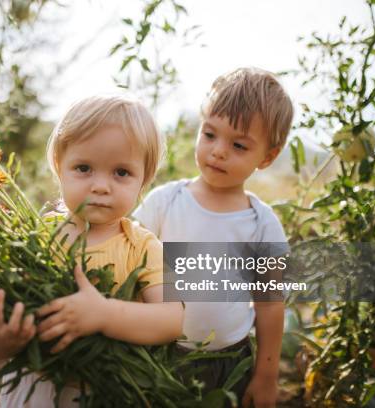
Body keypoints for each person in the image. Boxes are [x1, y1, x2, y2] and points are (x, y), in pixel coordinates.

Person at [0, 94, 184, 407]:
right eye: (84, 168)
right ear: (60, 168)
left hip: (107, 392)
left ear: (144, 181)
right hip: (36, 385)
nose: (101, 186)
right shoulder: (34, 240)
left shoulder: (141, 246)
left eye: (121, 173)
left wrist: (104, 315)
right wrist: (4, 338)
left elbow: (172, 320)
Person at [133, 67, 293, 408]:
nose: (218, 151)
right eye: (209, 134)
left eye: (238, 145)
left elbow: (269, 306)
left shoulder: (261, 224)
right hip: (159, 356)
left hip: (229, 363)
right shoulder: (164, 203)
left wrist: (266, 376)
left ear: (267, 157)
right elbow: (129, 266)